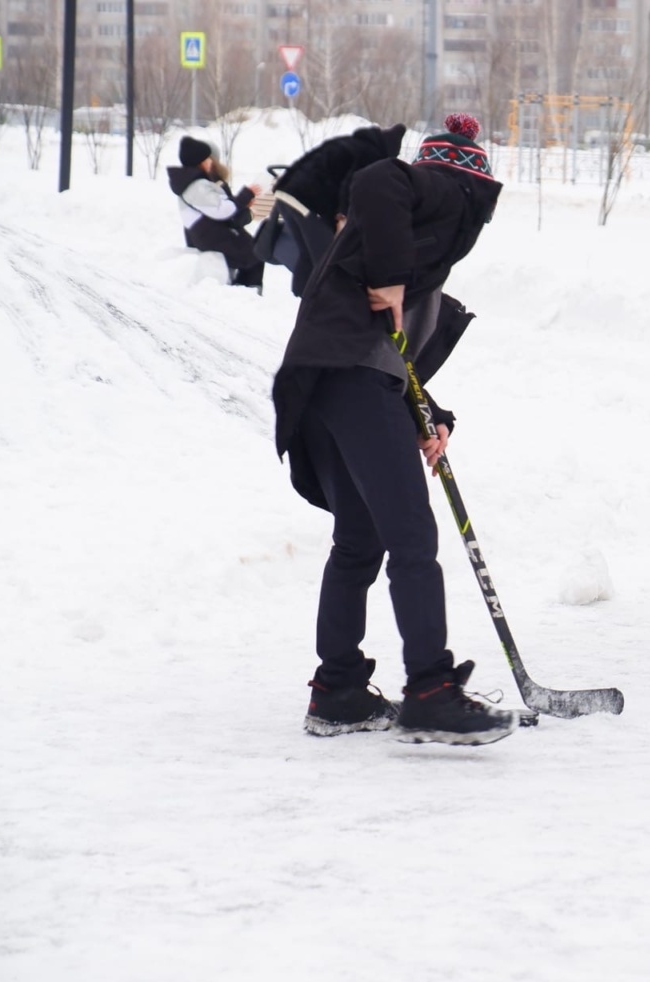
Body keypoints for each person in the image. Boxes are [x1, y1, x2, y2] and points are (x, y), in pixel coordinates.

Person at [270, 114, 510, 744]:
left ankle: (338, 692)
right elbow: (379, 179)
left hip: (328, 385)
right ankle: (430, 690)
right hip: (348, 384)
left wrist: (432, 415)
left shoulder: (399, 251)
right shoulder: (438, 195)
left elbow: (390, 361)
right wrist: (391, 275)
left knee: (359, 541)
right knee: (410, 536)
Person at [256, 122, 408, 296]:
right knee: (326, 254)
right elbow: (351, 184)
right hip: (305, 201)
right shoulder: (370, 153)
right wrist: (342, 216)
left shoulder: (349, 143)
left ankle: (304, 294)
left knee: (307, 252)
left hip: (285, 194)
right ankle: (323, 298)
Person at [168, 135, 265, 290]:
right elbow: (224, 211)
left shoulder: (195, 183)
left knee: (254, 253)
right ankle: (246, 295)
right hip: (213, 238)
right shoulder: (199, 185)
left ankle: (244, 293)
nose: (210, 162)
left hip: (207, 236)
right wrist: (246, 197)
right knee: (256, 254)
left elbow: (223, 210)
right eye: (208, 159)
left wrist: (242, 205)